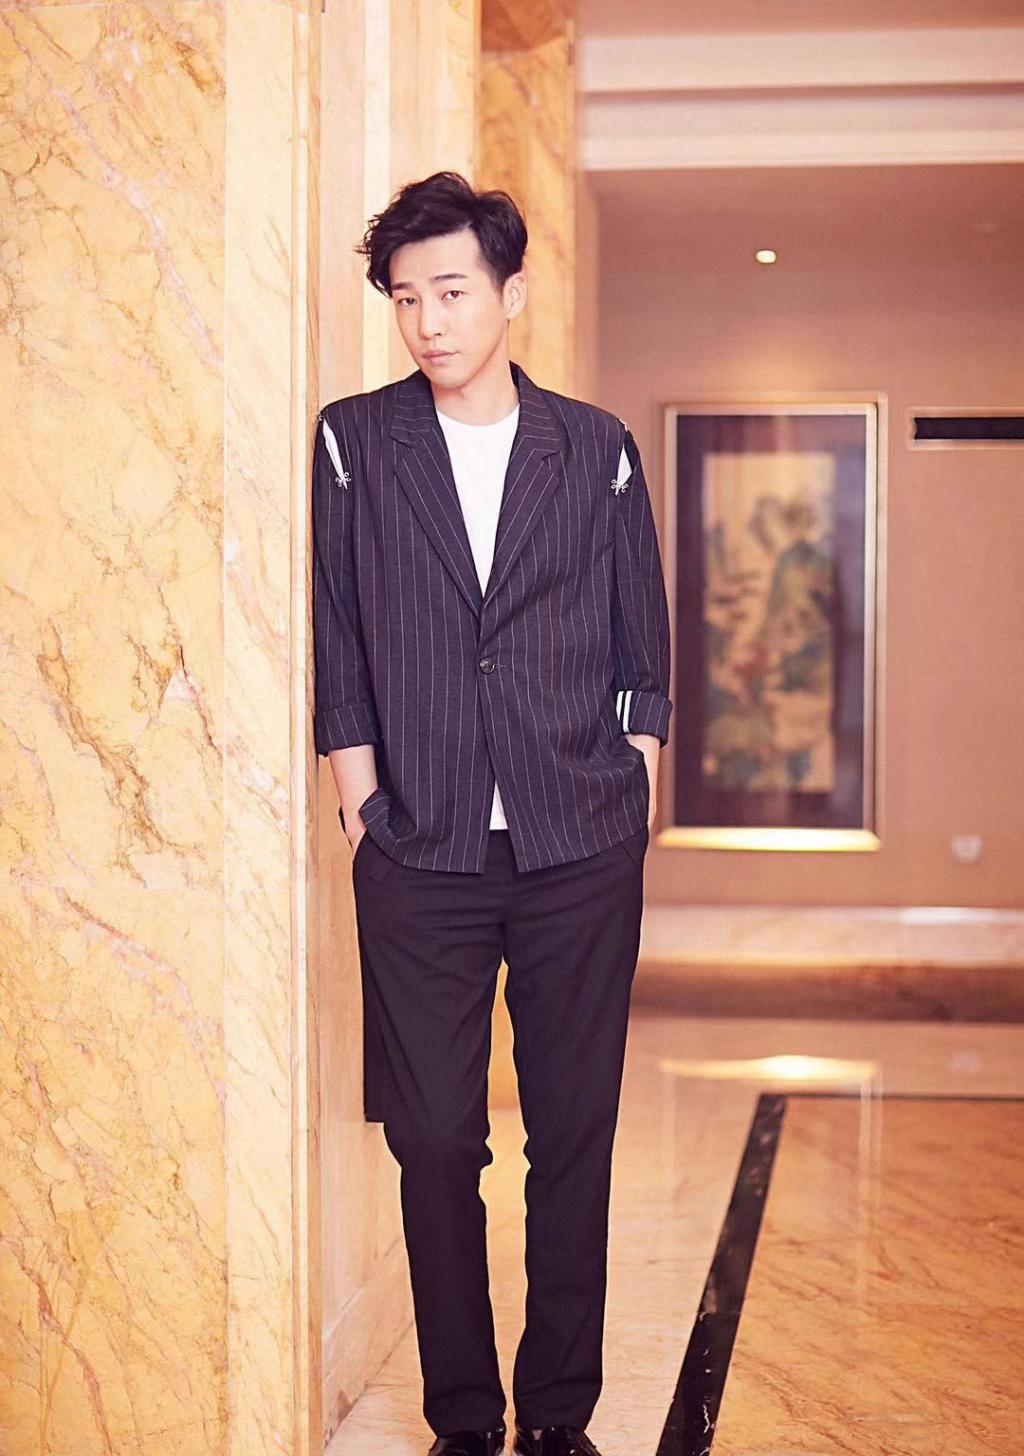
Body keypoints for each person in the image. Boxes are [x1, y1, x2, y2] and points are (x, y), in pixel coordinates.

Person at [311, 171, 672, 1456]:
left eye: (452, 292)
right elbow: (339, 639)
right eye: (407, 298)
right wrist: (364, 805)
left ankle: (557, 1418)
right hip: (420, 844)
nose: (429, 321)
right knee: (432, 1140)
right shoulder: (357, 441)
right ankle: (463, 1421)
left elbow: (642, 638)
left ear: (510, 294)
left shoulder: (595, 447)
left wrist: (630, 776)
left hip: (579, 843)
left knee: (573, 1135)